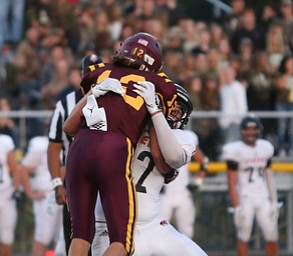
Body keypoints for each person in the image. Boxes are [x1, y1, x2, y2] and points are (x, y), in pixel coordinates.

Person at [63, 32, 177, 256]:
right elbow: (156, 152)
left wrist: (94, 92)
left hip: (79, 147)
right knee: (122, 242)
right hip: (114, 147)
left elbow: (69, 128)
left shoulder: (100, 72)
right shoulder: (158, 83)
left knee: (81, 236)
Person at [91, 83, 207, 256]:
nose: (176, 112)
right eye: (173, 106)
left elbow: (172, 158)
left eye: (180, 110)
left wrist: (155, 112)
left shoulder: (181, 137)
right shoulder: (128, 128)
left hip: (151, 224)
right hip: (111, 225)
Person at [47, 53, 103, 255]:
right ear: (81, 74)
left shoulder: (114, 98)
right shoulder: (65, 103)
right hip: (74, 179)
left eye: (97, 72)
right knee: (76, 236)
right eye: (88, 72)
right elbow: (53, 145)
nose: (93, 77)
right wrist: (57, 183)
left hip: (105, 179)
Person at [222, 115, 281, 256]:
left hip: (263, 195)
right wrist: (237, 207)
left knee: (272, 235)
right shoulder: (235, 150)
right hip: (245, 196)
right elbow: (231, 182)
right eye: (248, 129)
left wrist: (274, 201)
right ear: (242, 131)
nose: (250, 132)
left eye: (253, 129)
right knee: (244, 236)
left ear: (258, 130)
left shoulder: (265, 147)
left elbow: (269, 176)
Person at [160, 130, 209, 239]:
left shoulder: (187, 136)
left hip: (183, 192)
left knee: (187, 232)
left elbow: (204, 161)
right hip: (164, 192)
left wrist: (197, 183)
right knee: (159, 231)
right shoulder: (159, 133)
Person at [20, 135, 63, 256]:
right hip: (47, 196)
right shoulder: (42, 145)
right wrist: (31, 193)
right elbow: (24, 169)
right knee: (43, 237)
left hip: (65, 195)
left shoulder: (71, 142)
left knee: (61, 239)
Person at [0, 132, 20, 256]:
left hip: (6, 194)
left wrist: (16, 189)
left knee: (7, 237)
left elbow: (14, 166)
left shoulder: (4, 140)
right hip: (6, 194)